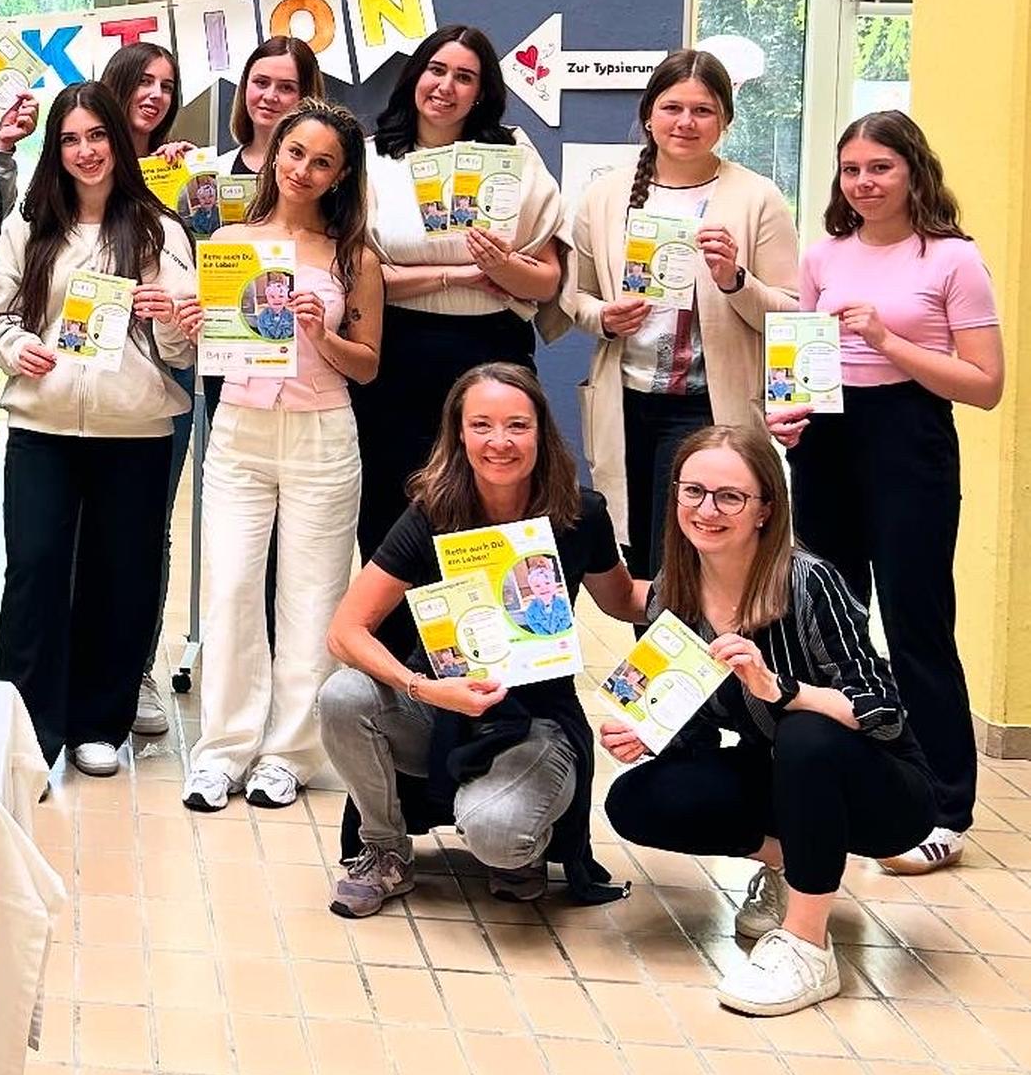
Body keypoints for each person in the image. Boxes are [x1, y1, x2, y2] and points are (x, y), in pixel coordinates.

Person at [602, 425, 937, 1016]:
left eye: (730, 496)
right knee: (636, 799)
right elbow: (699, 734)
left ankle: (808, 947)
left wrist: (780, 689)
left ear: (765, 510)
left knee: (806, 735)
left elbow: (883, 713)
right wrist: (651, 733)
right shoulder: (672, 592)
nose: (707, 510)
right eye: (693, 491)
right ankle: (788, 865)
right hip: (783, 775)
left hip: (882, 790)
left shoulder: (808, 583)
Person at [321, 363, 641, 913]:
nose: (500, 442)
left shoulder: (580, 513)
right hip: (441, 707)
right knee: (342, 696)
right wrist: (423, 687)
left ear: (542, 431)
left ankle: (520, 842)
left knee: (497, 834)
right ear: (459, 433)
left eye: (517, 425)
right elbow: (345, 631)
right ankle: (385, 849)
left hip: (537, 717)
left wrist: (709, 582)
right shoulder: (431, 513)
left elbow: (625, 600)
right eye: (482, 425)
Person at [773, 110, 1003, 872]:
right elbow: (804, 360)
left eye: (880, 167)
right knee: (829, 619)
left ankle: (945, 808)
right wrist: (787, 415)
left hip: (911, 438)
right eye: (852, 170)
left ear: (913, 171)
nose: (864, 182)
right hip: (828, 440)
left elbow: (985, 385)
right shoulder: (822, 255)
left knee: (915, 623)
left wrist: (886, 340)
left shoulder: (953, 259)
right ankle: (847, 786)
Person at [0, 85, 195, 774]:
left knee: (122, 575)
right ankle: (23, 726)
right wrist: (19, 348)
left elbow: (183, 349)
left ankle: (100, 723)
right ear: (56, 149)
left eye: (97, 135)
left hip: (134, 430)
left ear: (117, 142)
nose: (86, 151)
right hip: (43, 425)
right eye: (70, 139)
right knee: (35, 568)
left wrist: (171, 316)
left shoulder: (160, 231)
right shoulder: (30, 226)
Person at [180, 102, 383, 813]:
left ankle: (290, 754)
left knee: (312, 594)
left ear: (341, 175)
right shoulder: (230, 241)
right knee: (231, 586)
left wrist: (322, 335)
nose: (303, 170)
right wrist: (197, 324)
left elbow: (368, 365)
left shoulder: (353, 256)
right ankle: (222, 750)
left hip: (322, 435)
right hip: (239, 431)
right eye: (295, 153)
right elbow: (213, 341)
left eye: (323, 162)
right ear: (275, 154)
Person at [564, 49, 799, 576]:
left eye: (703, 110)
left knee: (691, 554)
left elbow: (791, 311)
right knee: (636, 554)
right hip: (626, 400)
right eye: (672, 108)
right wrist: (604, 318)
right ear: (649, 115)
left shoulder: (757, 197)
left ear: (725, 121)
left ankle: (690, 634)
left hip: (708, 406)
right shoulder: (605, 195)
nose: (686, 122)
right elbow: (574, 296)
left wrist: (735, 281)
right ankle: (651, 635)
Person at [352, 24, 566, 563]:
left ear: (482, 91)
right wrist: (460, 275)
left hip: (492, 349)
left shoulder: (514, 155)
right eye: (436, 70)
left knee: (491, 503)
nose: (446, 87)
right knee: (391, 506)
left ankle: (488, 617)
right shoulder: (372, 159)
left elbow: (546, 280)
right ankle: (395, 620)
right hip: (395, 353)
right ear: (414, 77)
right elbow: (358, 276)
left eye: (465, 77)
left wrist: (502, 266)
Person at [98, 39, 193, 737]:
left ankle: (135, 669)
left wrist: (188, 190)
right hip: (87, 364)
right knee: (80, 523)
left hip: (165, 366)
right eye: (144, 81)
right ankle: (79, 661)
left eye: (167, 85)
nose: (156, 95)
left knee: (148, 524)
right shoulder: (81, 158)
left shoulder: (184, 173)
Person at [223, 35, 326, 177]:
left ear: (307, 96)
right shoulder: (219, 169)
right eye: (261, 82)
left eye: (286, 87)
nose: (270, 97)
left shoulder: (325, 174)